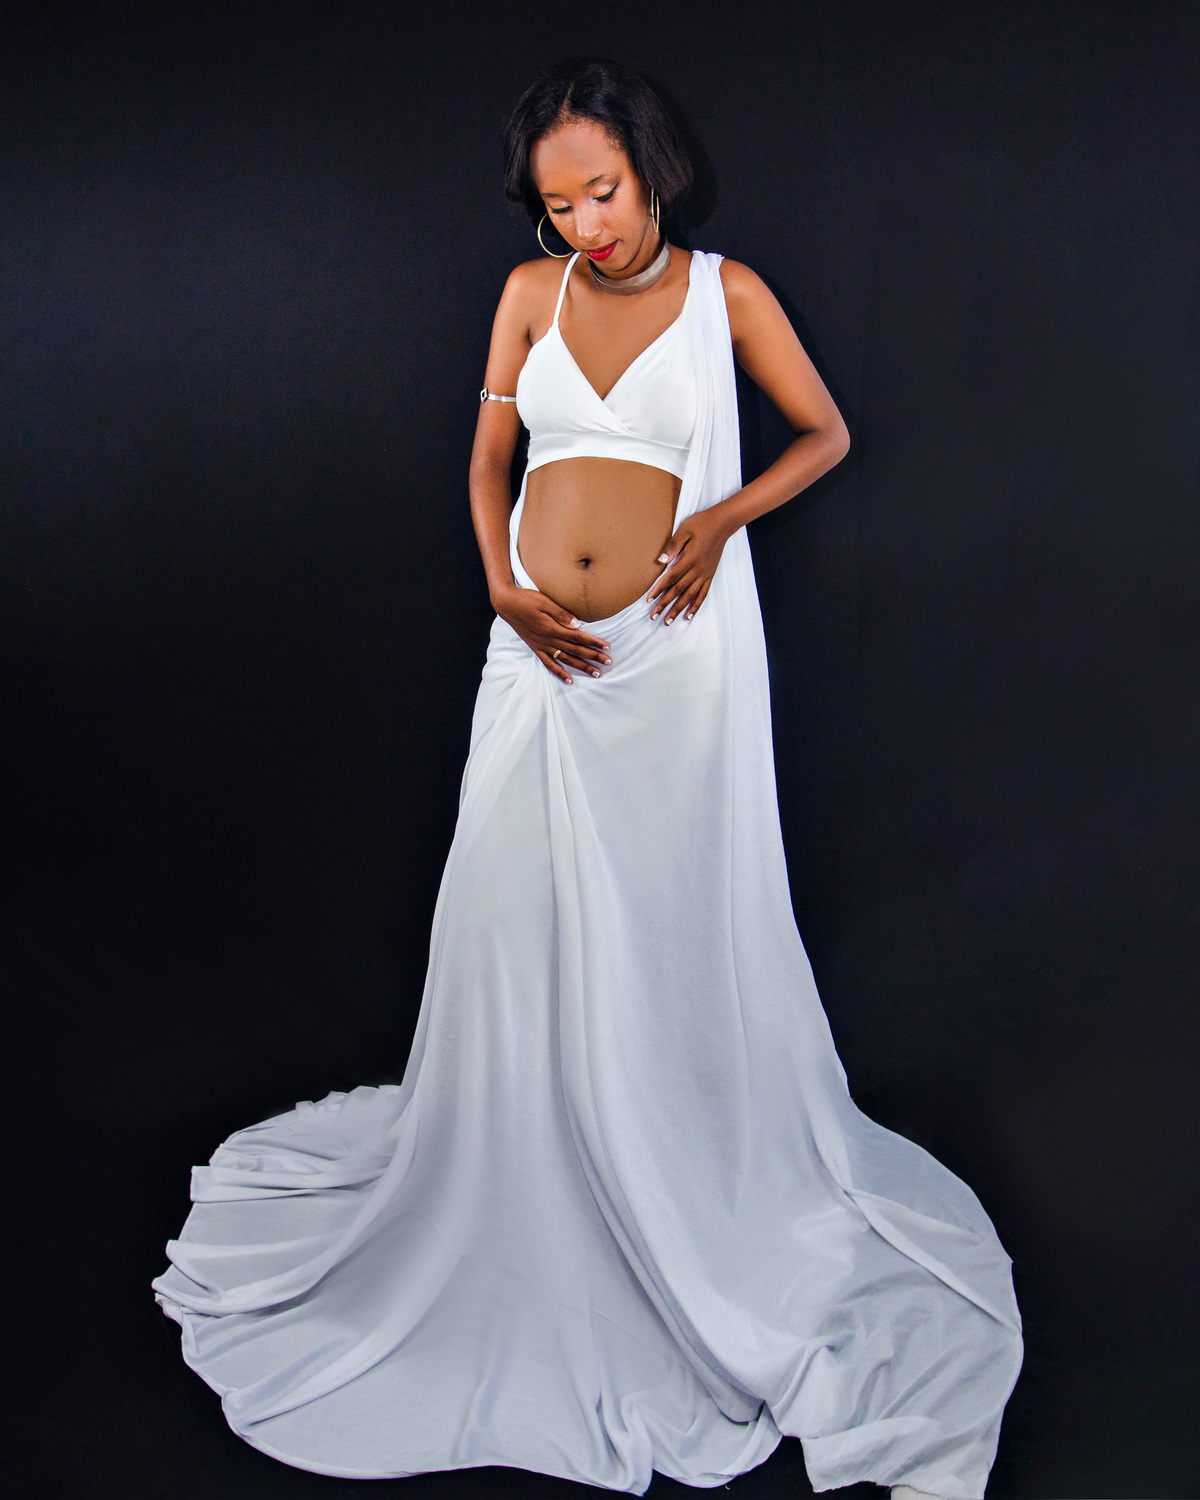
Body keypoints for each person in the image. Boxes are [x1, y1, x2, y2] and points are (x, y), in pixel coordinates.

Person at [153, 57, 1022, 1499]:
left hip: (674, 663)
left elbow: (827, 434)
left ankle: (669, 1171)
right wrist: (501, 584)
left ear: (652, 167)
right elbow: (489, 460)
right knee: (508, 920)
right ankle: (518, 1179)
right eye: (559, 204)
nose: (585, 225)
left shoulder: (725, 295)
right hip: (542, 660)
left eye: (602, 192)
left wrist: (718, 521)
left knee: (662, 920)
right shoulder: (526, 295)